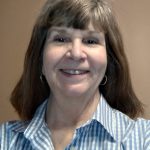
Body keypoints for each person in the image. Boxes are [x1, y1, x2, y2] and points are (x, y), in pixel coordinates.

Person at [0, 0, 150, 149]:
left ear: (109, 61)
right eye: (60, 39)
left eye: (90, 41)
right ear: (40, 60)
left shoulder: (143, 139)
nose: (76, 54)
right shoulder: (5, 140)